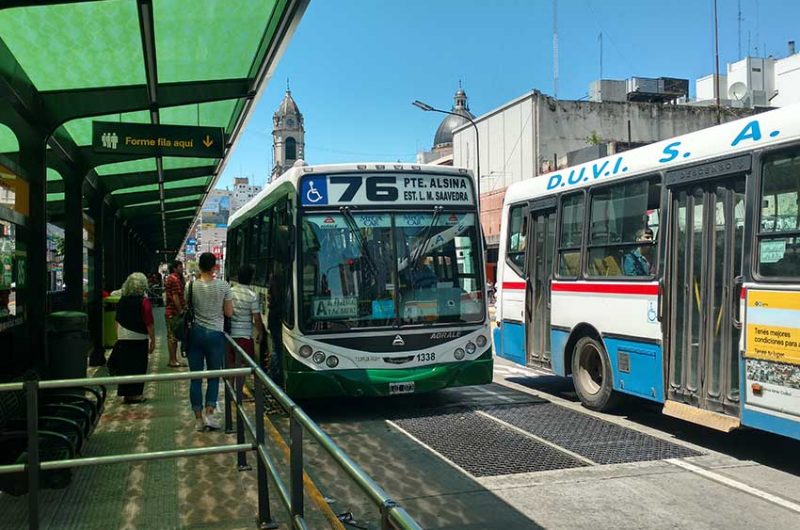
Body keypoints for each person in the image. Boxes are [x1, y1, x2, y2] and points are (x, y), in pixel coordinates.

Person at [186, 252, 233, 431]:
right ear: (215, 267)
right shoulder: (223, 286)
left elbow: (187, 307)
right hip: (215, 334)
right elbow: (229, 312)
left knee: (195, 378)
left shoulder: (190, 286)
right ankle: (210, 415)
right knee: (214, 376)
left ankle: (198, 420)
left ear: (199, 267)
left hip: (195, 334)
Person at [113, 272, 155, 404]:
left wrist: (118, 336)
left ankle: (126, 393)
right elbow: (149, 322)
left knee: (125, 366)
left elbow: (117, 320)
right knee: (138, 365)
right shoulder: (144, 301)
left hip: (123, 336)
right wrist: (152, 339)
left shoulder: (122, 301)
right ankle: (136, 394)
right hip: (139, 337)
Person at [227, 264, 264, 399]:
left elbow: (226, 311)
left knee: (231, 363)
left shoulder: (230, 292)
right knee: (242, 366)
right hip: (245, 335)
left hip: (230, 334)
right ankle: (238, 391)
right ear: (251, 278)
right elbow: (257, 317)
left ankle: (230, 390)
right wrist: (260, 332)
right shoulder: (252, 295)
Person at [164, 260, 185, 368]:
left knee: (174, 336)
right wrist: (180, 310)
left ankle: (174, 359)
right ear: (175, 268)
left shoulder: (174, 278)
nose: (182, 268)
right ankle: (172, 360)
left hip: (172, 311)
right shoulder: (174, 279)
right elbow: (175, 296)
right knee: (172, 336)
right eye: (180, 267)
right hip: (173, 312)